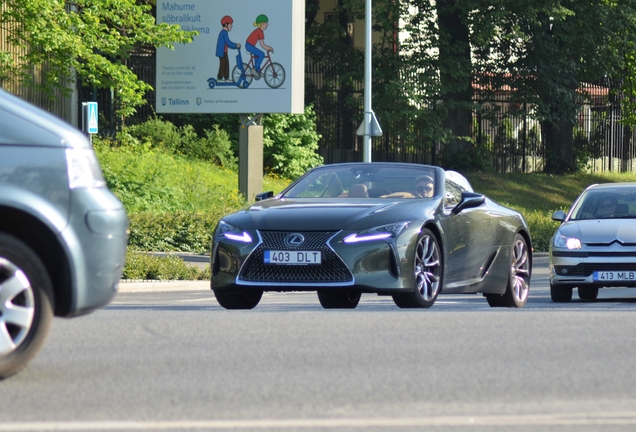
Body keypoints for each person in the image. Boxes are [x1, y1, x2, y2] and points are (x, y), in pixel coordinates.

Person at [245, 14, 273, 80]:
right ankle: (254, 70)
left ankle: (258, 71)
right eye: (266, 23)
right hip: (249, 45)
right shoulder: (259, 32)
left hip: (249, 45)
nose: (267, 25)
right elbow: (262, 45)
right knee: (262, 54)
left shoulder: (259, 31)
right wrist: (269, 48)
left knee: (258, 55)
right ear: (261, 24)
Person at [216, 16, 241, 82]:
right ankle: (219, 78)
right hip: (222, 52)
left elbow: (228, 44)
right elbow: (228, 42)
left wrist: (235, 46)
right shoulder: (224, 33)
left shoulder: (224, 33)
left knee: (226, 64)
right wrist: (236, 45)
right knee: (223, 65)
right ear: (226, 24)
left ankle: (226, 78)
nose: (231, 26)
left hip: (224, 52)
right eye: (230, 24)